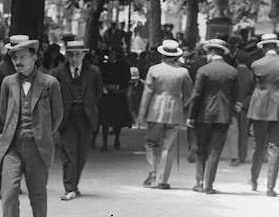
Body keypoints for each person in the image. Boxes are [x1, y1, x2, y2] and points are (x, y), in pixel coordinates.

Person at [0, 35, 64, 217]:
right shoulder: (8, 83)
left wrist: (42, 134)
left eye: (22, 57)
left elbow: (57, 115)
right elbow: (4, 113)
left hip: (37, 146)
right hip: (12, 146)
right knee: (9, 193)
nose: (18, 62)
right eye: (15, 58)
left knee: (37, 194)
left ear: (34, 57)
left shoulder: (50, 83)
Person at [246, 33, 279, 196]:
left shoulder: (256, 64)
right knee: (275, 148)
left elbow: (252, 86)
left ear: (263, 47)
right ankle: (270, 187)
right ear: (277, 47)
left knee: (258, 145)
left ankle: (254, 179)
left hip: (259, 110)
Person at [138, 39, 193, 189]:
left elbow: (147, 93)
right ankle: (162, 180)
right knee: (168, 146)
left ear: (162, 55)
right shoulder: (183, 72)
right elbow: (189, 95)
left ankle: (152, 173)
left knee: (151, 143)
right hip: (174, 111)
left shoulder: (154, 70)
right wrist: (184, 107)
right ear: (176, 56)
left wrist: (141, 115)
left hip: (155, 109)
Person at [185, 38, 239, 194]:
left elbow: (196, 95)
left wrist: (191, 116)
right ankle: (209, 184)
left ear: (212, 52)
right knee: (215, 151)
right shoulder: (233, 72)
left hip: (203, 116)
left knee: (201, 149)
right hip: (223, 117)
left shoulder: (203, 71)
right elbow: (234, 98)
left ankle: (199, 181)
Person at [53, 40, 103, 200]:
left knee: (81, 155)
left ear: (83, 55)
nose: (74, 58)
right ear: (66, 56)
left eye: (77, 54)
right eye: (70, 55)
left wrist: (89, 106)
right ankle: (69, 188)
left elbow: (98, 93)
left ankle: (74, 185)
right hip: (67, 118)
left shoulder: (94, 72)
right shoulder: (58, 72)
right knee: (69, 153)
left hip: (86, 116)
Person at [97, 46, 134, 151]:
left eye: (113, 53)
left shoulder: (123, 65)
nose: (111, 55)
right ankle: (104, 143)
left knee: (117, 120)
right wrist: (105, 87)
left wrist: (119, 88)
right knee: (104, 120)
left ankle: (117, 139)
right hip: (106, 94)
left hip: (118, 94)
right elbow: (100, 79)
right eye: (110, 53)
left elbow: (126, 79)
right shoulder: (103, 65)